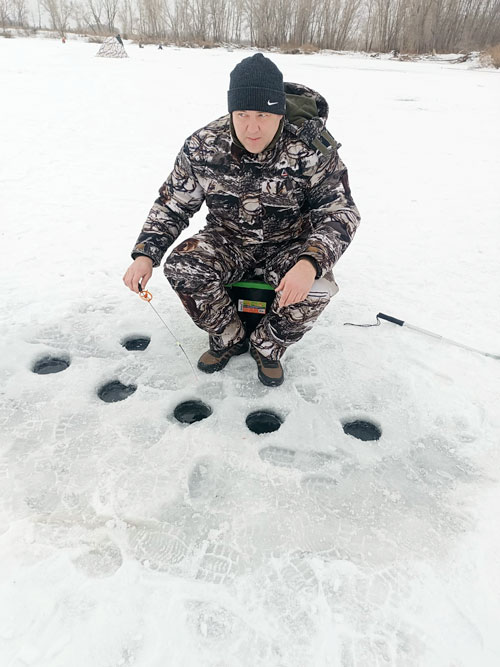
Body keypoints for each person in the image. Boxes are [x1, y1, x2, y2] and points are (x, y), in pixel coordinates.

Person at [123, 53, 360, 387]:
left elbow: (340, 212)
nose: (251, 126)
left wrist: (310, 262)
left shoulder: (311, 150)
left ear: (279, 112)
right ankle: (228, 336)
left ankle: (268, 345)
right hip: (228, 240)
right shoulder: (203, 145)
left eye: (263, 114)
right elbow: (174, 202)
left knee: (318, 286)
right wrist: (145, 254)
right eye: (242, 114)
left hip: (289, 246)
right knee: (183, 265)